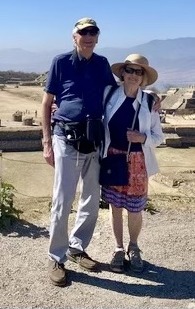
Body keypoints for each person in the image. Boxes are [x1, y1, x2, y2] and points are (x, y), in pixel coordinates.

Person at [41, 17, 117, 287]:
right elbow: (47, 102)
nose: (88, 36)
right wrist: (46, 142)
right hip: (65, 136)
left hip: (94, 139)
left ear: (97, 38)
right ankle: (56, 257)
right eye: (83, 32)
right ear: (74, 37)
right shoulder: (60, 62)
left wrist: (149, 97)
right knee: (62, 200)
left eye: (93, 33)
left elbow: (116, 94)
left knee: (90, 199)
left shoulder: (102, 64)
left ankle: (76, 248)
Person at [101, 53, 164, 273]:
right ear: (123, 73)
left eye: (139, 72)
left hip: (138, 161)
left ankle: (134, 246)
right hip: (113, 157)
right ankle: (118, 248)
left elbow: (159, 137)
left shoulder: (149, 102)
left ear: (143, 77)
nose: (134, 75)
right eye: (130, 70)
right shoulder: (109, 95)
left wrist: (143, 138)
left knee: (135, 208)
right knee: (115, 206)